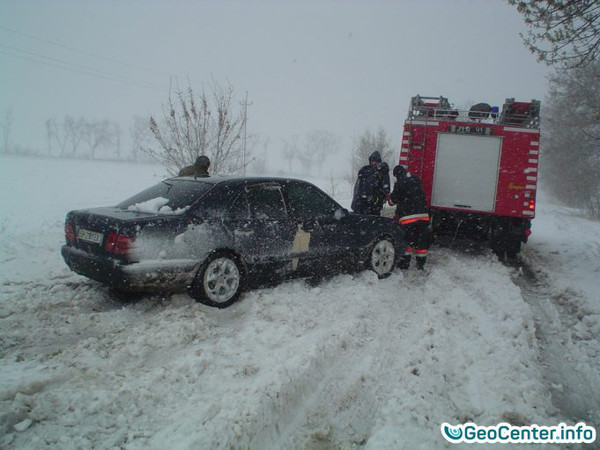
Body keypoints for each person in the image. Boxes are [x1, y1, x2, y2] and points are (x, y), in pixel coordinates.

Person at [388, 165, 430, 270]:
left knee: (408, 241)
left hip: (408, 217)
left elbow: (393, 201)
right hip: (424, 216)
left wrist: (389, 198)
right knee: (421, 242)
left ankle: (404, 264)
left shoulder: (399, 183)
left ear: (396, 175)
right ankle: (420, 265)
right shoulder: (416, 179)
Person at [351, 151, 390, 215]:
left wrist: (377, 200)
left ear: (379, 162)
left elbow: (386, 189)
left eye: (376, 161)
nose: (374, 163)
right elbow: (359, 188)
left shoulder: (381, 172)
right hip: (361, 205)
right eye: (372, 161)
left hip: (373, 207)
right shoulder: (365, 170)